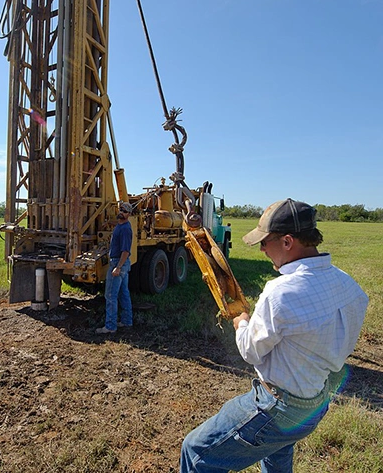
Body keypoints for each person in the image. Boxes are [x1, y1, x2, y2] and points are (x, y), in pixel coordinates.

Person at [180, 198, 368, 473]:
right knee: (277, 452)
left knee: (196, 451)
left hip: (278, 407)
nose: (263, 250)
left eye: (265, 242)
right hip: (315, 402)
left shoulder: (281, 292)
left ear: (288, 242)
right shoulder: (349, 286)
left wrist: (241, 321)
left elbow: (250, 351)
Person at [96, 201, 134, 334]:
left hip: (118, 263)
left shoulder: (125, 229)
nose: (121, 212)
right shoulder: (120, 225)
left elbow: (125, 251)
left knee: (111, 295)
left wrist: (117, 267)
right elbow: (116, 224)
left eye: (124, 211)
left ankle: (110, 326)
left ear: (129, 214)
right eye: (120, 210)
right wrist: (108, 224)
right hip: (122, 264)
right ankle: (127, 321)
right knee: (124, 294)